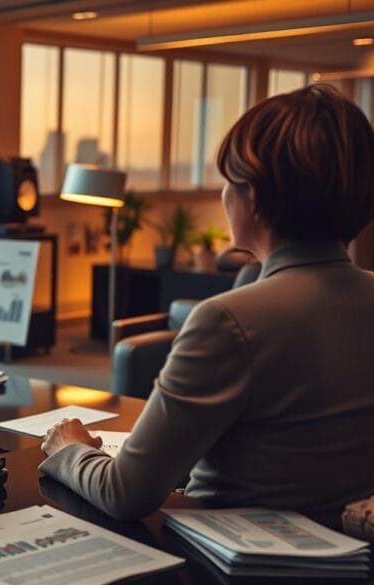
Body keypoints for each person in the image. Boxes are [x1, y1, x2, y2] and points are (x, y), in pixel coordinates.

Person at [40, 84, 374, 521]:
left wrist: (70, 448)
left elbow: (125, 494)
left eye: (228, 181)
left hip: (232, 555)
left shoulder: (229, 320)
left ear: (253, 197)